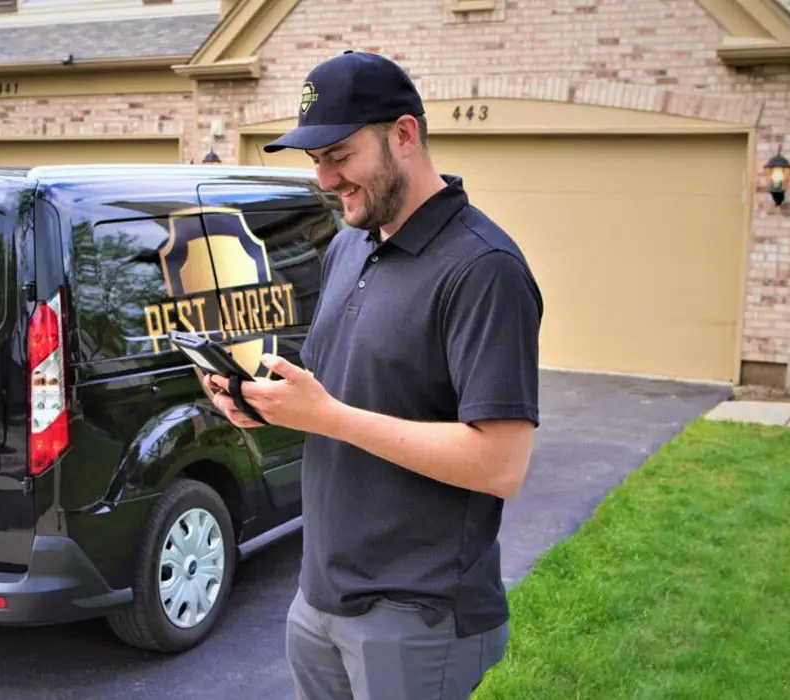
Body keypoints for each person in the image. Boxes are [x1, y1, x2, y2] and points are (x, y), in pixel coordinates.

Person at [204, 51, 544, 700]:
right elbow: (338, 390)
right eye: (314, 160)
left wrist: (328, 416)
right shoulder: (348, 245)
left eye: (339, 154)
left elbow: (501, 463)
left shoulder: (484, 269)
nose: (326, 179)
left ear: (405, 135)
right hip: (320, 593)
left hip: (417, 613)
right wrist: (264, 402)